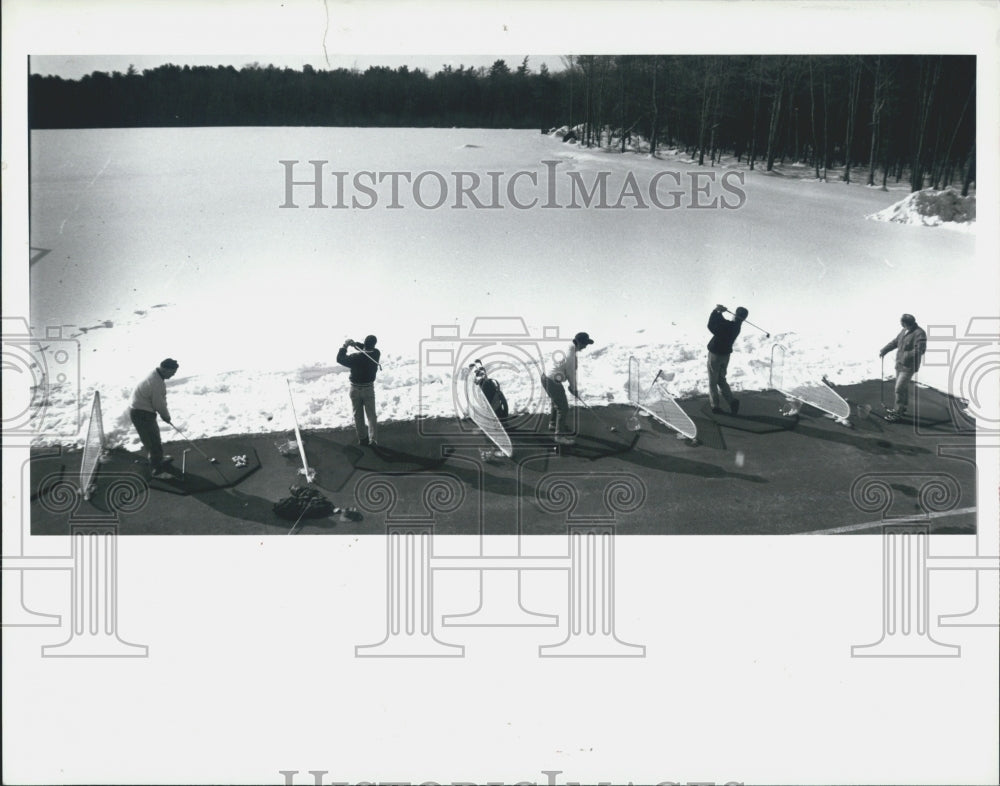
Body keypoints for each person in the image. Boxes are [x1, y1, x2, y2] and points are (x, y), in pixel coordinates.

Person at [541, 331, 594, 445]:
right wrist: (573, 388)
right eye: (585, 344)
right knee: (563, 408)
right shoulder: (570, 355)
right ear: (579, 343)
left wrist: (571, 387)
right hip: (551, 380)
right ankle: (559, 436)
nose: (585, 347)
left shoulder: (569, 347)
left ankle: (553, 424)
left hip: (546, 377)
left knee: (556, 401)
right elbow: (571, 374)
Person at [130, 358, 179, 479]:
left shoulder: (156, 376)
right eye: (172, 372)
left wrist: (164, 415)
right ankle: (157, 471)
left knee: (155, 438)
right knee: (152, 442)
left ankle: (159, 459)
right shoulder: (155, 382)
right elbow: (159, 404)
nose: (173, 375)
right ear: (165, 369)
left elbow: (159, 401)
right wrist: (166, 416)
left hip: (143, 411)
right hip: (141, 414)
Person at [879, 313, 927, 422]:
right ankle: (902, 408)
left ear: (906, 323)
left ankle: (897, 413)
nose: (901, 324)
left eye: (902, 322)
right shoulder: (904, 331)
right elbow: (895, 342)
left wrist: (906, 355)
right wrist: (884, 350)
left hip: (909, 366)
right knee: (903, 388)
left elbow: (920, 350)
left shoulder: (919, 333)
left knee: (899, 388)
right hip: (899, 365)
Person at [338, 334, 381, 445]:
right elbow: (367, 349)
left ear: (365, 343)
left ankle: (362, 439)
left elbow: (339, 359)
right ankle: (373, 439)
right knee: (371, 415)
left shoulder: (355, 357)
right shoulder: (376, 354)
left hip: (355, 389)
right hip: (368, 389)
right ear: (374, 345)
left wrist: (345, 346)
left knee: (358, 415)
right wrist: (355, 344)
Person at [707, 304, 748, 415]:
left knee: (712, 382)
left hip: (715, 355)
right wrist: (719, 313)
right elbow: (722, 323)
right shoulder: (735, 327)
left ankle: (715, 406)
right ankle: (732, 401)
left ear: (735, 315)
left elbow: (711, 325)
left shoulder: (729, 326)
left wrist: (716, 311)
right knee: (721, 380)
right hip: (725, 356)